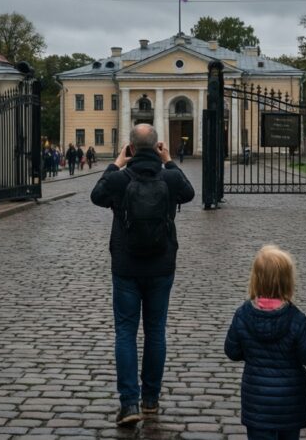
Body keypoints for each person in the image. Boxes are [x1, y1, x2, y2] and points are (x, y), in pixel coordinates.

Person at [91, 123, 195, 426]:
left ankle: (129, 403)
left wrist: (116, 162)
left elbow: (96, 195)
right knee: (156, 331)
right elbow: (188, 192)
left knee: (125, 333)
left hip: (126, 267)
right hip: (161, 267)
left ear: (131, 148)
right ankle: (150, 400)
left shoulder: (121, 179)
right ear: (157, 147)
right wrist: (169, 160)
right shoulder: (170, 177)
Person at [225, 245, 306, 440]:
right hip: (290, 403)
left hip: (257, 402)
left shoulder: (243, 315)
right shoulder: (296, 319)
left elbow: (232, 350)